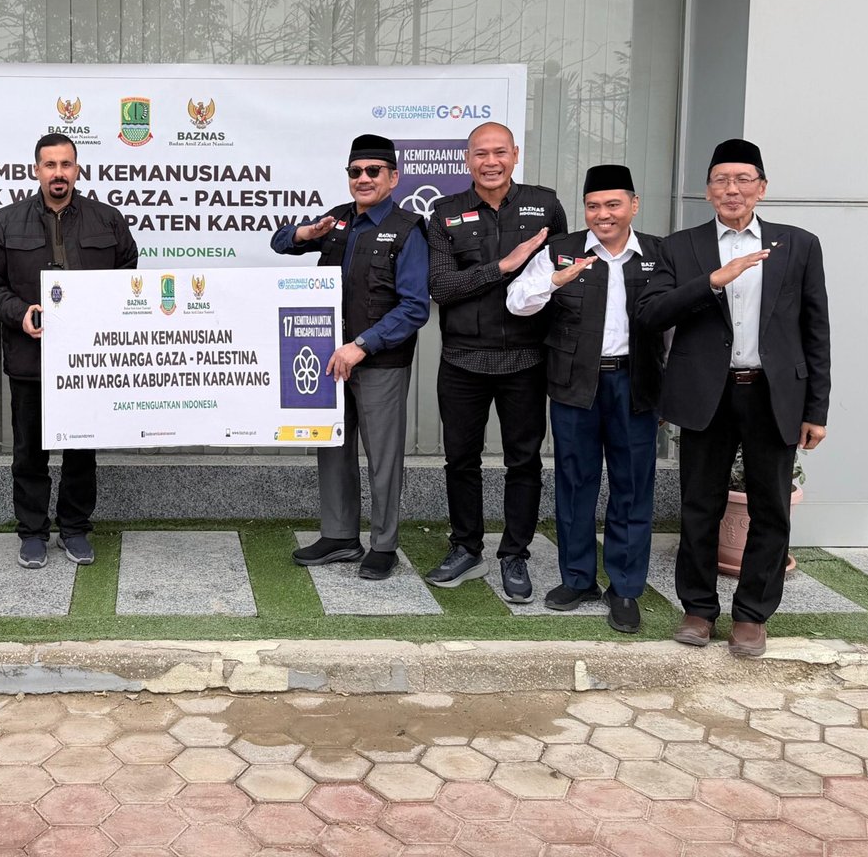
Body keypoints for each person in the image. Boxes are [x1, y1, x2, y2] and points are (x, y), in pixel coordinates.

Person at [638, 139, 830, 657]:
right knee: (700, 505)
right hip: (708, 392)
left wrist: (816, 409)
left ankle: (752, 615)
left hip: (773, 393)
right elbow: (652, 314)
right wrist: (713, 281)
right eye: (721, 180)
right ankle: (698, 609)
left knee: (772, 508)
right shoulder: (680, 247)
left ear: (761, 188)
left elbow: (816, 330)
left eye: (743, 179)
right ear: (707, 191)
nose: (732, 189)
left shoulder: (799, 244)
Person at [505, 165, 665, 632]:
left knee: (632, 487)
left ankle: (625, 588)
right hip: (575, 384)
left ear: (634, 205)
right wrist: (555, 281)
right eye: (593, 206)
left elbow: (677, 325)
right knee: (575, 483)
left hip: (635, 385)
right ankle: (577, 579)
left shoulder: (658, 254)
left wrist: (668, 388)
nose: (603, 214)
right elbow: (517, 301)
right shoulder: (561, 251)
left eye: (613, 204)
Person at [0, 133, 138, 569]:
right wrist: (20, 313)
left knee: (81, 450)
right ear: (37, 170)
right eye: (50, 165)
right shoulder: (6, 221)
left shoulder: (107, 220)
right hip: (31, 359)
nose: (58, 173)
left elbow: (127, 273)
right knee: (30, 451)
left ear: (77, 169)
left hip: (88, 360)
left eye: (66, 164)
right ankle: (32, 532)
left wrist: (102, 314)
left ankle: (75, 528)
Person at [271, 135, 430, 580]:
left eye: (373, 171)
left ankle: (384, 544)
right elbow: (280, 243)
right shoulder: (338, 220)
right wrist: (305, 233)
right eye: (355, 172)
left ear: (393, 177)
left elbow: (414, 307)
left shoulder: (407, 229)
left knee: (383, 457)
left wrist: (362, 345)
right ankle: (340, 536)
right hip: (330, 361)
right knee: (333, 448)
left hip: (378, 361)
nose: (363, 179)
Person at [422, 121, 567, 603]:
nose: (491, 162)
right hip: (462, 359)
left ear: (515, 154)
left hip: (525, 359)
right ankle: (466, 547)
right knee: (460, 459)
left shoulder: (545, 206)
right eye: (481, 153)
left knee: (523, 461)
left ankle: (514, 554)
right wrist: (503, 267)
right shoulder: (445, 213)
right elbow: (441, 288)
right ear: (467, 159)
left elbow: (561, 278)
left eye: (500, 152)